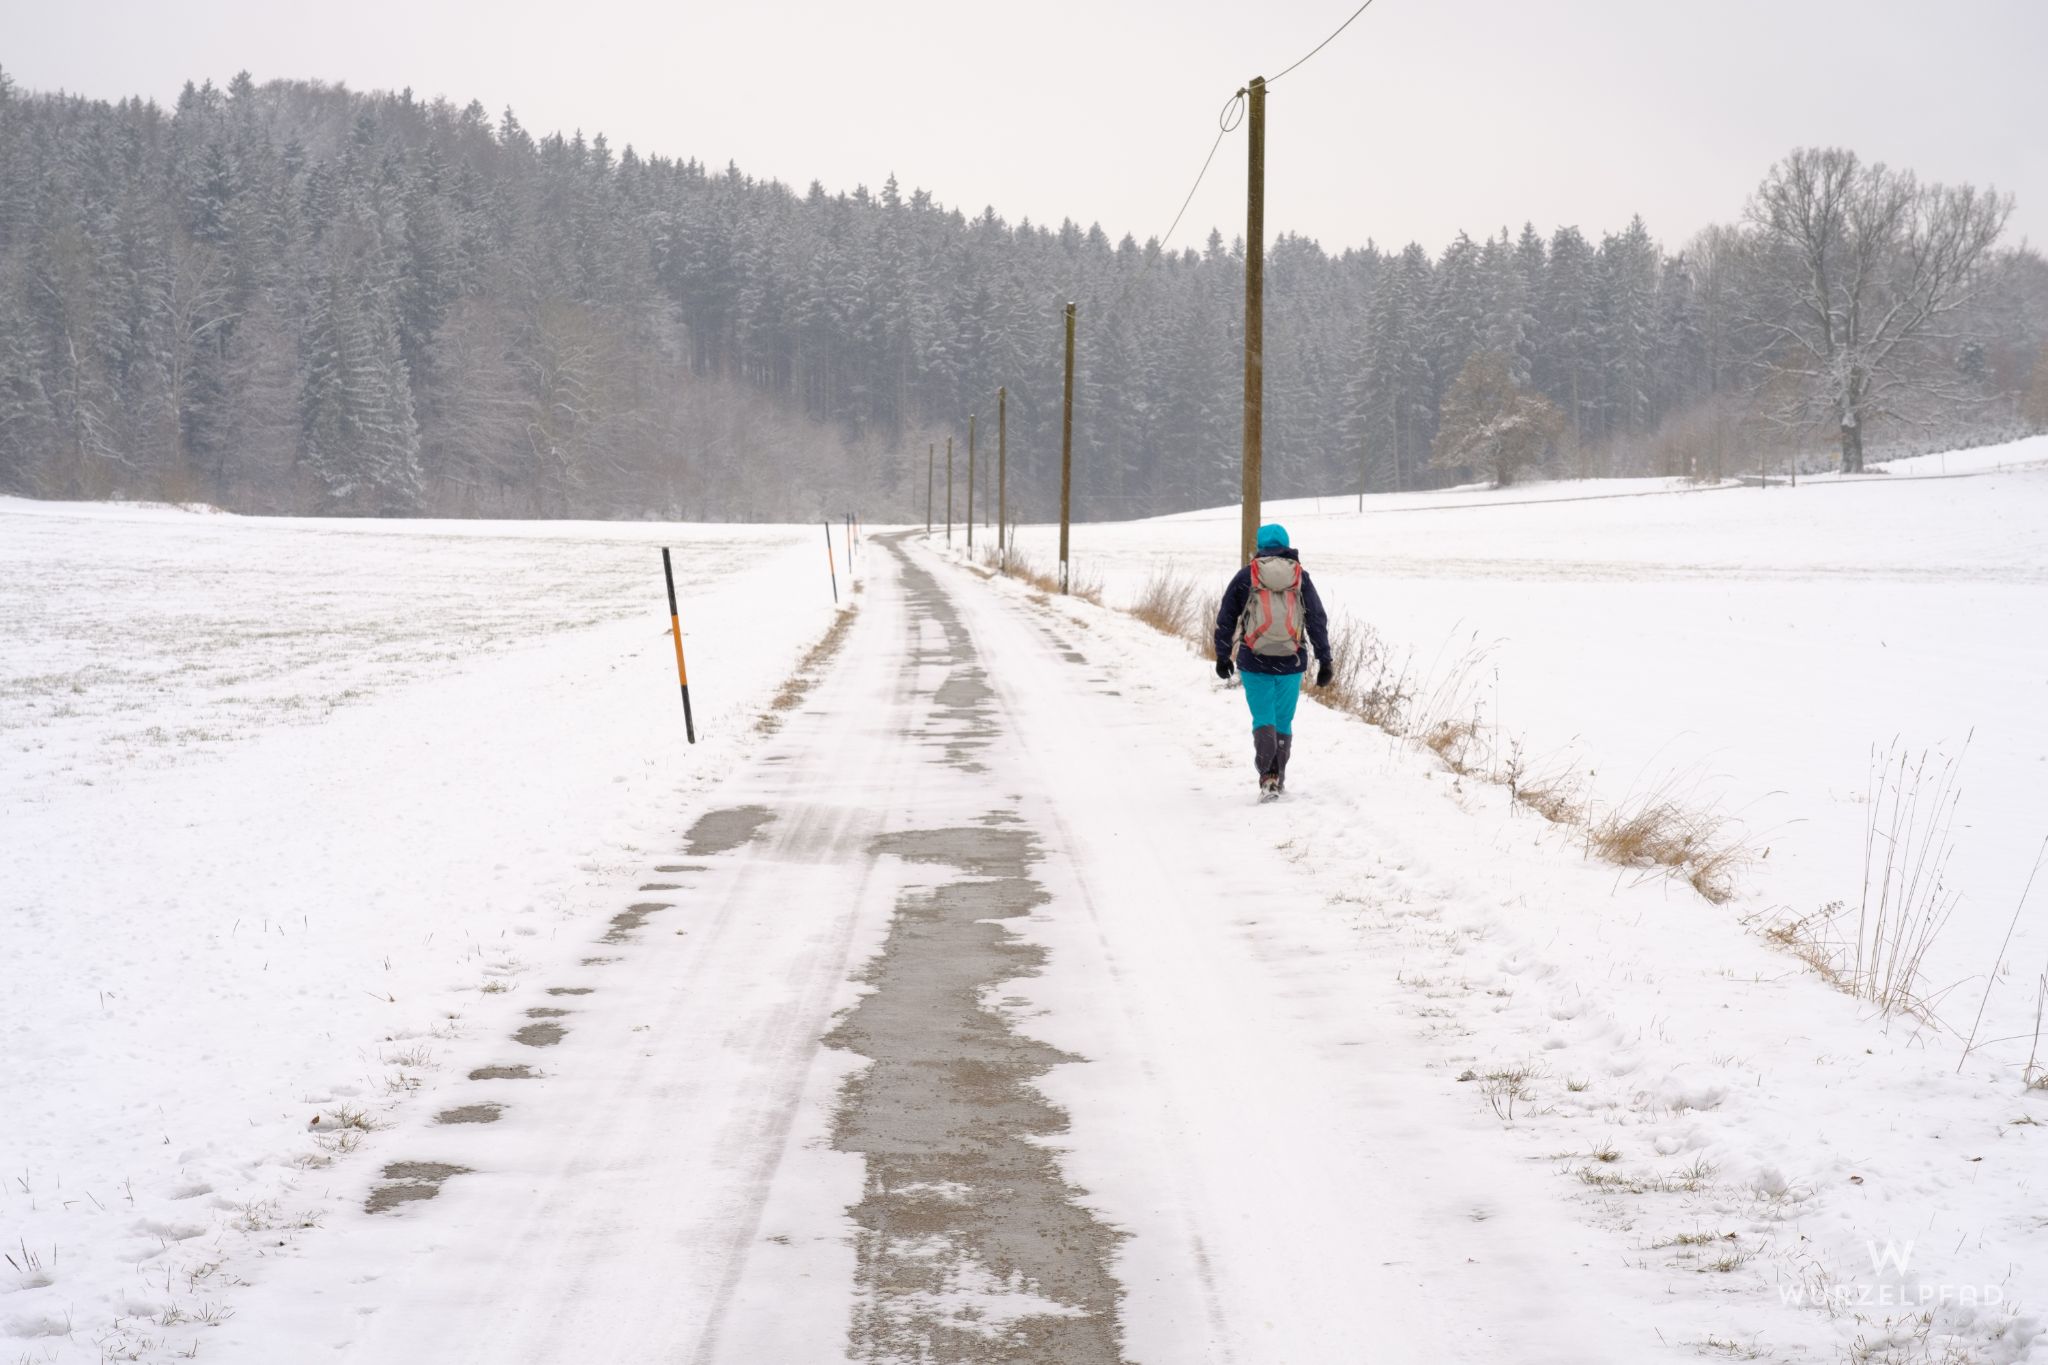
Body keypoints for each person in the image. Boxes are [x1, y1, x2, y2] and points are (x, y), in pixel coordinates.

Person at [1213, 523, 1334, 799]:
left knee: (1263, 718)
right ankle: (1278, 776)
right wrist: (1325, 659)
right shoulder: (1300, 577)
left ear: (1260, 546)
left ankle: (1267, 775)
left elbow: (1226, 615)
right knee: (1283, 721)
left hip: (1254, 660)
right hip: (1291, 661)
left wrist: (1222, 655)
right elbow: (1316, 618)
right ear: (1287, 545)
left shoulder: (1247, 576)